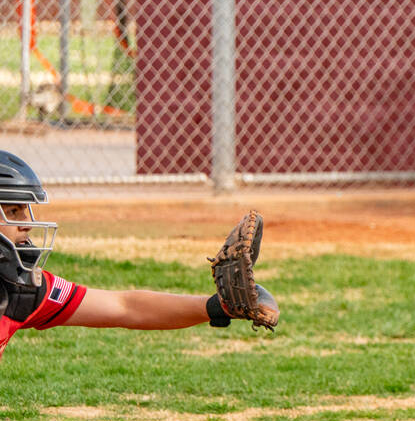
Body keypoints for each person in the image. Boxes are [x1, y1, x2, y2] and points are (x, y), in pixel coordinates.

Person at [0, 151, 278, 361]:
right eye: (13, 212)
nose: (26, 223)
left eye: (25, 211)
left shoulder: (21, 290)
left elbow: (126, 307)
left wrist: (217, 307)